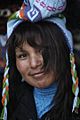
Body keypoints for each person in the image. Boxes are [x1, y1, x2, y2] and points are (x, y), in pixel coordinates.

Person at [0, 0, 80, 120]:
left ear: (64, 51)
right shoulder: (11, 102)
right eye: (23, 55)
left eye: (44, 51)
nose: (34, 64)